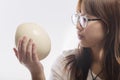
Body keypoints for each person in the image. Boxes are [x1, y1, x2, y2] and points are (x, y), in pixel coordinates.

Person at [13, 0, 120, 80]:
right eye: (78, 17)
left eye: (85, 19)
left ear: (109, 24)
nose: (78, 26)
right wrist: (36, 72)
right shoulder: (65, 66)